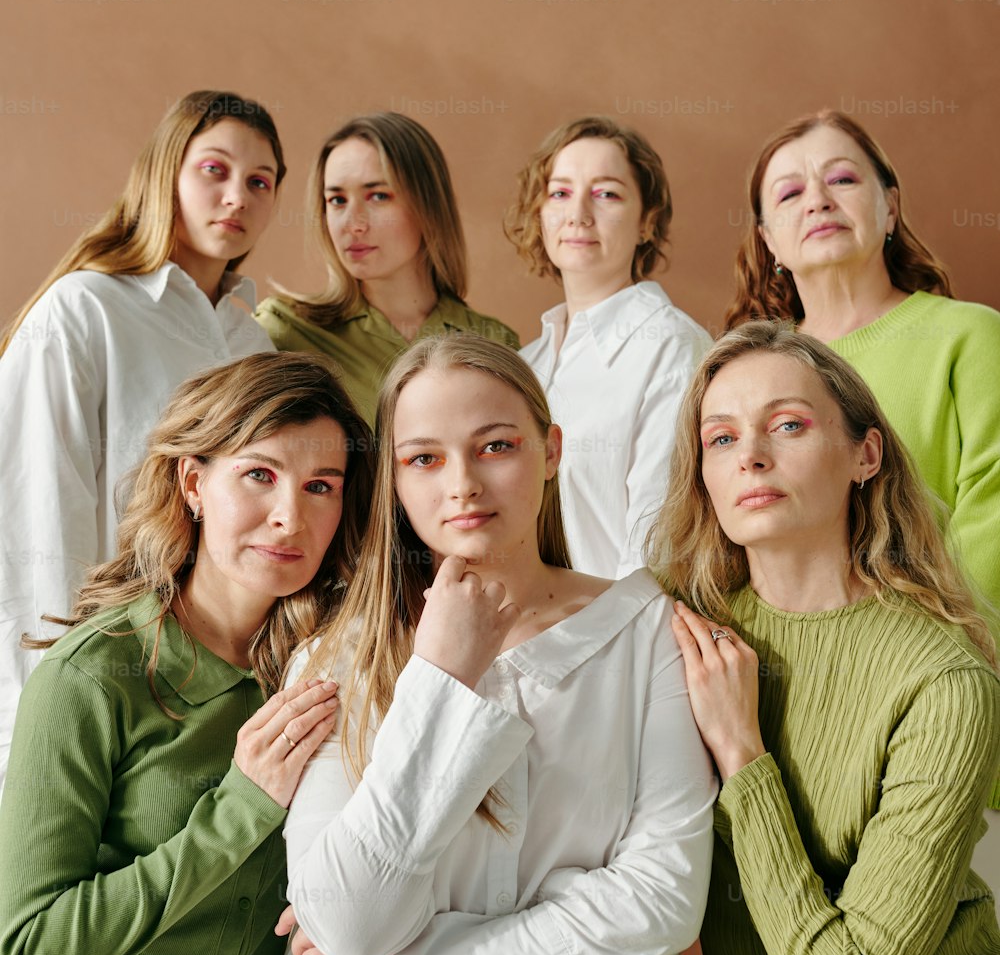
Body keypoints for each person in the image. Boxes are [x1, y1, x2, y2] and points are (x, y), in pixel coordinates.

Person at [219, 333, 717, 955]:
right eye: (423, 458)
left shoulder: (645, 633)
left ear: (551, 450)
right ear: (396, 482)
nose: (462, 484)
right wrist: (441, 678)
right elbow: (351, 920)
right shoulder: (339, 656)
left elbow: (662, 898)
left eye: (496, 445)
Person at [577, 321, 1000, 955]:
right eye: (721, 437)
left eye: (788, 426)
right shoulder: (676, 630)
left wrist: (743, 753)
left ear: (865, 455)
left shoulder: (945, 681)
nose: (750, 456)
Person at [0, 350, 374, 955]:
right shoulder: (100, 672)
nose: (291, 514)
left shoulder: (338, 672)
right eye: (259, 475)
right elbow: (31, 952)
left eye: (322, 486)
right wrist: (240, 809)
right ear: (193, 481)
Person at [0, 88, 284, 794]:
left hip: (220, 686)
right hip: (100, 674)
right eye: (213, 170)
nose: (236, 197)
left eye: (259, 182)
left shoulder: (256, 345)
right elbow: (33, 506)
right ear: (166, 174)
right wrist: (43, 710)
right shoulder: (85, 309)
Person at [725, 111, 1000, 802]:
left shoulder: (970, 336)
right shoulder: (747, 371)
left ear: (889, 208)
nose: (817, 197)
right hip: (794, 710)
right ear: (769, 241)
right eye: (789, 193)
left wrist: (894, 650)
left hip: (950, 688)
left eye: (842, 178)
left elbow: (990, 522)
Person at [506, 116, 710, 578]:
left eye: (607, 193)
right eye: (559, 192)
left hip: (620, 639)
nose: (578, 213)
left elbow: (659, 547)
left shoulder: (673, 348)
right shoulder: (523, 366)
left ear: (646, 223)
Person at [256, 111, 520, 429]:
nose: (353, 223)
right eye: (337, 200)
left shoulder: (496, 342)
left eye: (378, 196)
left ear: (428, 205)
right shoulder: (283, 332)